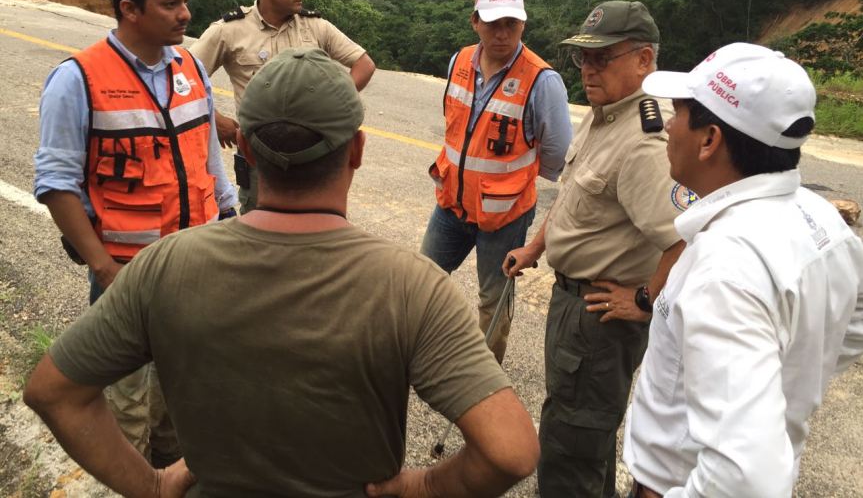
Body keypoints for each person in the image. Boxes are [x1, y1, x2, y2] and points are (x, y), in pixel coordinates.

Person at [24, 48, 540, 498]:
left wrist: (151, 486)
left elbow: (54, 392)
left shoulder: (165, 265)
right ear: (357, 151)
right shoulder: (412, 287)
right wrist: (424, 484)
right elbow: (510, 453)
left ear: (245, 149)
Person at [622, 42, 863, 498]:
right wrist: (794, 375)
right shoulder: (820, 216)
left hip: (675, 484)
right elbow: (855, 316)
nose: (668, 128)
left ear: (710, 140)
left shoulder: (725, 266)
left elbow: (745, 480)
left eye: (679, 115)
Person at [32, 0, 238, 468]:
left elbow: (208, 153)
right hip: (126, 276)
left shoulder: (190, 66)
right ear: (129, 9)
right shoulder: (78, 79)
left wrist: (232, 220)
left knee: (182, 396)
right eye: (170, 5)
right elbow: (57, 183)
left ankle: (169, 476)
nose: (186, 15)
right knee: (126, 406)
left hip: (196, 267)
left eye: (185, 1)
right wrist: (103, 267)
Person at [505, 1, 688, 498]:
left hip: (598, 316)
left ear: (644, 60)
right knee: (576, 429)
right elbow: (573, 198)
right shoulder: (606, 113)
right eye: (583, 59)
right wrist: (535, 248)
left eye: (603, 57)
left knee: (572, 442)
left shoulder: (645, 140)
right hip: (573, 304)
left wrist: (645, 300)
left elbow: (685, 239)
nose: (588, 68)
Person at [421, 0, 572, 363]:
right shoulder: (459, 62)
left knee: (493, 300)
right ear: (475, 22)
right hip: (451, 206)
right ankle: (414, 351)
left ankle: (484, 375)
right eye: (493, 24)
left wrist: (510, 184)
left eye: (512, 24)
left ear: (523, 24)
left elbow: (556, 154)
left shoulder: (542, 80)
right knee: (421, 279)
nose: (503, 34)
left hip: (504, 215)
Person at [189, 0, 376, 212]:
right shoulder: (230, 30)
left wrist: (333, 101)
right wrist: (214, 118)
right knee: (260, 223)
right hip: (258, 152)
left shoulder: (315, 26)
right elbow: (184, 76)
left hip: (314, 150)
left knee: (316, 219)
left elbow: (364, 64)